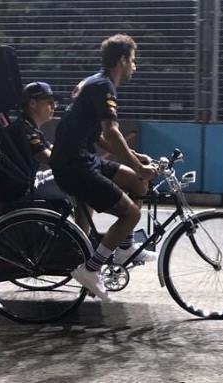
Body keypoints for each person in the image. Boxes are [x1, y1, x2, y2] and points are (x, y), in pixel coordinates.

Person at [50, 33, 158, 300]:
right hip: (75, 165)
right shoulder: (104, 87)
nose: (135, 66)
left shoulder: (94, 82)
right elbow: (111, 132)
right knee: (130, 213)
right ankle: (91, 269)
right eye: (133, 60)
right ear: (122, 60)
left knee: (136, 181)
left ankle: (125, 247)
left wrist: (135, 157)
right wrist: (138, 163)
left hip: (83, 158)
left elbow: (96, 133)